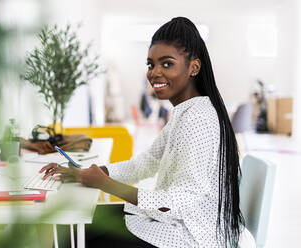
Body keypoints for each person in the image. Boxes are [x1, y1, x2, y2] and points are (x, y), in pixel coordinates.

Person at [40, 17, 244, 248]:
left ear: (194, 67)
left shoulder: (198, 118)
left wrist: (104, 183)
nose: (154, 73)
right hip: (174, 223)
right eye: (151, 64)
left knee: (73, 233)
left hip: (189, 237)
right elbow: (145, 164)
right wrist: (89, 173)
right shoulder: (185, 112)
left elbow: (179, 200)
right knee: (79, 223)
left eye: (166, 64)